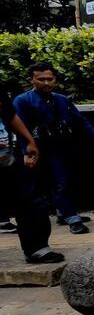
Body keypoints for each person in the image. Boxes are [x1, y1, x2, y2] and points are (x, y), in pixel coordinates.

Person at [13, 63, 94, 234]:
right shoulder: (23, 101)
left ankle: (63, 213)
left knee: (66, 180)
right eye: (41, 79)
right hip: (40, 148)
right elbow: (19, 127)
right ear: (31, 80)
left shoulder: (61, 100)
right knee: (56, 182)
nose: (46, 83)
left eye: (49, 79)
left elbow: (81, 121)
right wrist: (27, 151)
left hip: (64, 146)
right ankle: (71, 217)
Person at [0, 87, 62, 264]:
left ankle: (37, 248)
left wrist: (29, 141)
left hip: (7, 158)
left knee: (31, 201)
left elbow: (10, 114)